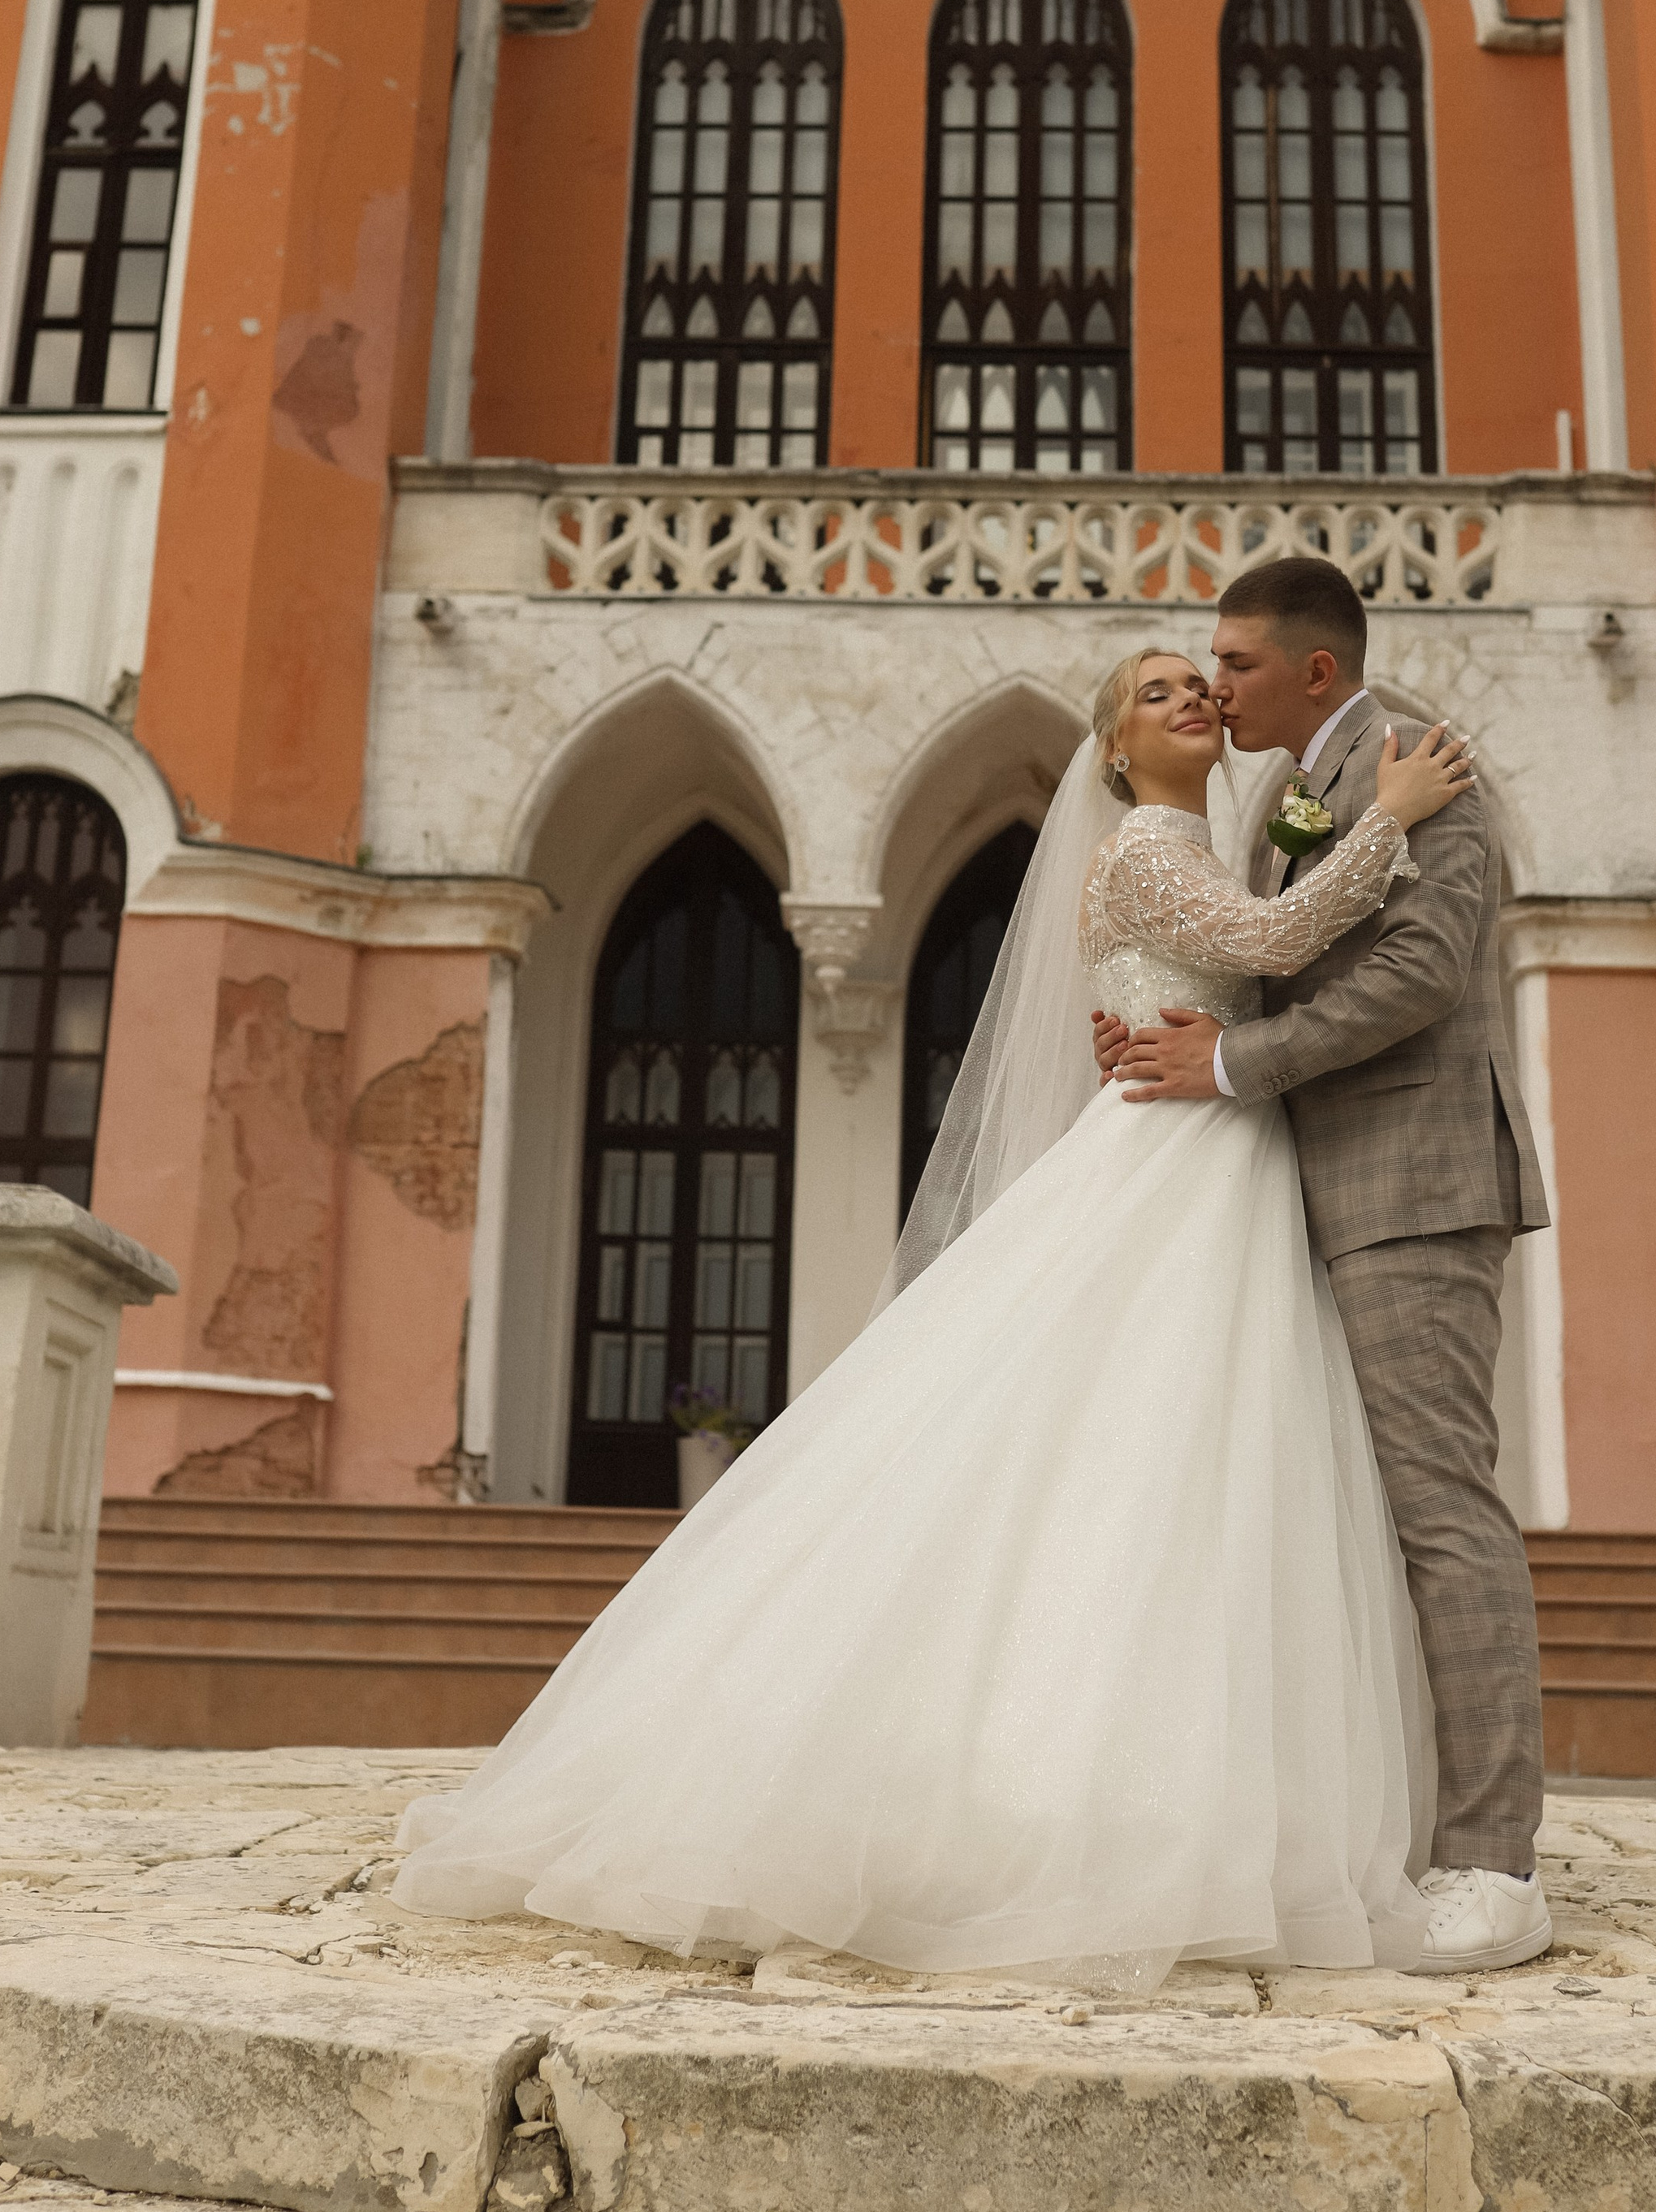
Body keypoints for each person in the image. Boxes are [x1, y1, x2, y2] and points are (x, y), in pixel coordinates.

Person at [391, 648, 1471, 1989]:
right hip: (1171, 1163)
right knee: (1122, 1451)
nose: (1190, 698)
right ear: (1120, 755)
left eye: (1200, 682)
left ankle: (1207, 1796)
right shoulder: (1143, 846)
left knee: (1192, 1476)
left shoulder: (1225, 844)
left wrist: (1325, 855)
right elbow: (1268, 945)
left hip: (1228, 1158)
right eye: (1155, 694)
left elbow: (1258, 948)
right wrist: (1392, 817)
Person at [1096, 555, 1552, 1978]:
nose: (1211, 685)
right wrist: (1162, 1024)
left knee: (1437, 1513)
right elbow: (1264, 949)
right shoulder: (1303, 787)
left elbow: (1417, 975)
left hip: (1410, 1181)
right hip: (1301, 1182)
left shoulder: (1424, 765)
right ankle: (1384, 1825)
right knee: (1330, 1520)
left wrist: (1227, 1056)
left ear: (1311, 670)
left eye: (1230, 665)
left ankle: (1493, 1865)